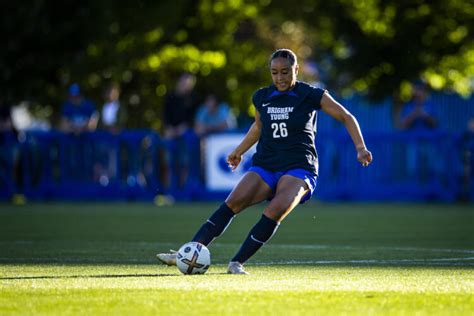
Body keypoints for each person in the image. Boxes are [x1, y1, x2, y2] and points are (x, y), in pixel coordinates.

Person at [157, 49, 373, 274]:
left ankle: (236, 263)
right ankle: (187, 253)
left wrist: (360, 148)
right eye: (274, 72)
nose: (280, 78)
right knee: (233, 202)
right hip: (266, 164)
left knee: (276, 209)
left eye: (285, 72)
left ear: (296, 70)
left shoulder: (311, 94)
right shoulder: (262, 97)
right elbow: (258, 127)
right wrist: (239, 151)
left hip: (300, 167)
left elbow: (346, 116)